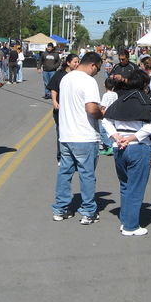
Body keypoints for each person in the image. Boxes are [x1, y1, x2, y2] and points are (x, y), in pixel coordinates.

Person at [102, 69, 151, 236]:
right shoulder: (145, 101)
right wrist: (131, 138)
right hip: (138, 147)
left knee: (125, 185)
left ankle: (125, 219)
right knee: (136, 187)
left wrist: (117, 136)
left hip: (119, 147)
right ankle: (131, 226)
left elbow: (106, 120)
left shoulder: (120, 100)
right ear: (145, 84)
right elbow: (149, 127)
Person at [52, 52, 103, 224]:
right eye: (98, 69)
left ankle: (61, 208)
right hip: (84, 136)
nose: (97, 72)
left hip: (66, 135)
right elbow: (91, 109)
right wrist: (103, 112)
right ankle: (88, 211)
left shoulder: (66, 78)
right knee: (87, 174)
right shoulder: (89, 81)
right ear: (93, 65)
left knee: (65, 172)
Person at [46, 53, 80, 162]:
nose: (77, 64)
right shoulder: (59, 74)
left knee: (75, 133)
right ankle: (61, 157)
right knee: (61, 133)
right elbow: (53, 89)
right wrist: (55, 101)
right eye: (75, 62)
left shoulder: (79, 75)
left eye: (78, 62)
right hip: (61, 110)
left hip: (75, 110)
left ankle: (74, 156)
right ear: (68, 63)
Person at [98, 77, 118, 156]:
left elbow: (103, 106)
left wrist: (100, 111)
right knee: (110, 130)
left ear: (105, 85)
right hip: (113, 114)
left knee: (102, 130)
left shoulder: (106, 95)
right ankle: (111, 144)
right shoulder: (115, 94)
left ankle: (109, 146)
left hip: (106, 115)